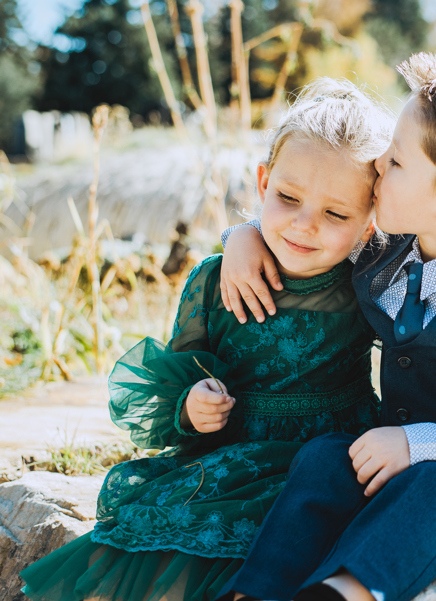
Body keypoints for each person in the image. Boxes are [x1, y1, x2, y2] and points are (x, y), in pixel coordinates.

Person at [20, 78, 395, 601]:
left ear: (370, 223)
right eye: (288, 197)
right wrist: (192, 404)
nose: (305, 226)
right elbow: (180, 373)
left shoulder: (367, 282)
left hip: (325, 462)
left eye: (336, 214)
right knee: (174, 533)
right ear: (263, 183)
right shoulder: (214, 282)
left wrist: (239, 233)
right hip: (231, 456)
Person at [213, 53, 436, 601]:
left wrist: (416, 443)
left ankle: (348, 590)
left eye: (395, 162)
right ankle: (257, 591)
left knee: (432, 487)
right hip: (393, 453)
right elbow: (306, 238)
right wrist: (242, 237)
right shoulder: (386, 252)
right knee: (328, 457)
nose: (377, 168)